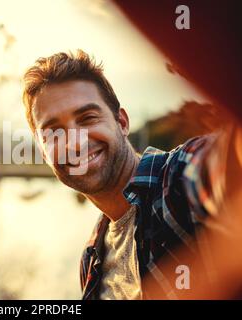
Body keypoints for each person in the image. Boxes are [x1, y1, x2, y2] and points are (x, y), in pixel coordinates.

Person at [21, 49, 239, 299]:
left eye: (87, 118)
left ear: (122, 123)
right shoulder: (91, 260)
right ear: (43, 151)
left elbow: (225, 162)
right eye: (54, 132)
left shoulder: (176, 179)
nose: (75, 143)